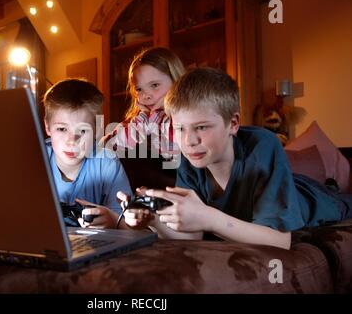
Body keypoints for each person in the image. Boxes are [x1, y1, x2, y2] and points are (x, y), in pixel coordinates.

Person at [117, 67, 352, 249]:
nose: (188, 140)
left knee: (340, 199)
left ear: (233, 123)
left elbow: (280, 241)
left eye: (201, 127)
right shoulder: (189, 160)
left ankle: (331, 185)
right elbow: (193, 236)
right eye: (179, 129)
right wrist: (152, 221)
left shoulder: (263, 145)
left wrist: (209, 218)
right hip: (278, 186)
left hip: (313, 198)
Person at [43, 78, 132, 229]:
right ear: (47, 127)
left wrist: (113, 222)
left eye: (83, 130)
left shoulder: (106, 163)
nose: (72, 141)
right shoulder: (35, 159)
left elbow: (129, 225)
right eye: (62, 129)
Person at [101, 47, 186, 189]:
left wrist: (154, 118)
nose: (147, 95)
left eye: (155, 85)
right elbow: (107, 147)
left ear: (176, 81)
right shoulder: (137, 121)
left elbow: (173, 149)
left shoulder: (186, 120)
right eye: (139, 89)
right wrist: (145, 119)